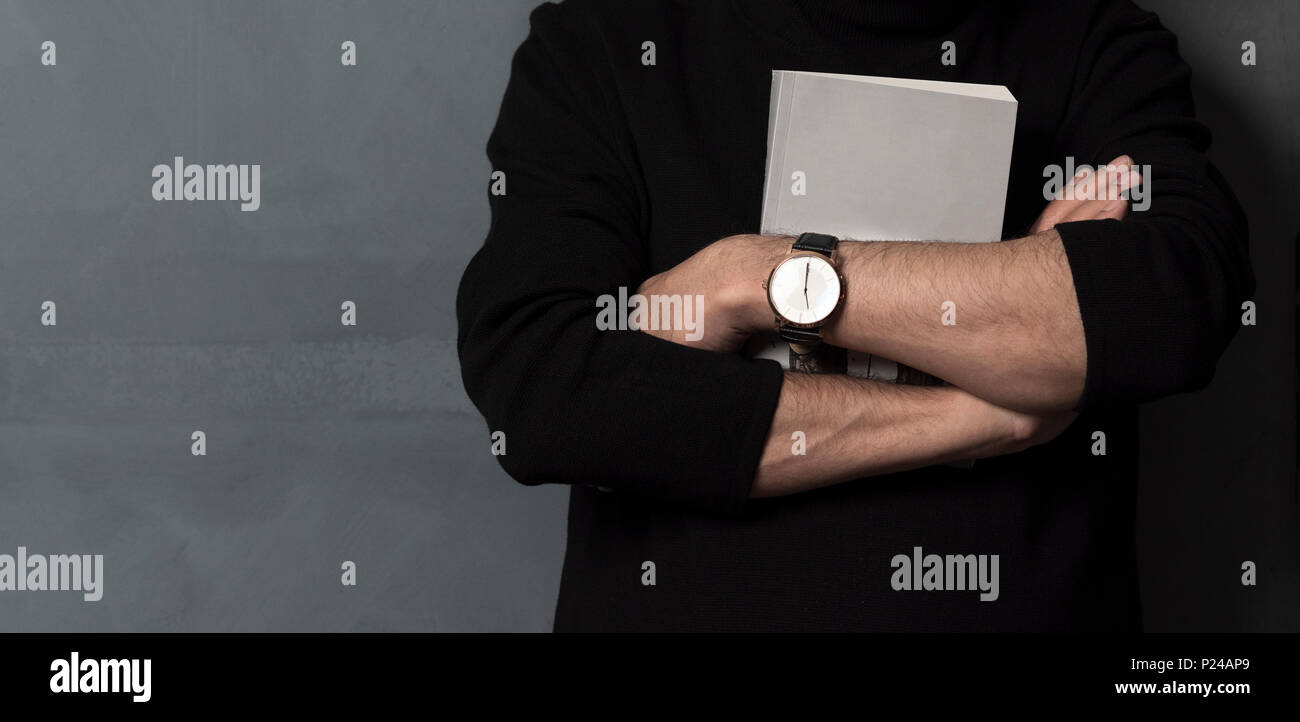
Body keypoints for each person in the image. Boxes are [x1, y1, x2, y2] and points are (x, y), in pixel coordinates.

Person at [456, 0, 1254, 631]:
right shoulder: (602, 39)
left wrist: (751, 280)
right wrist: (992, 411)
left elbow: (1166, 308)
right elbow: (543, 387)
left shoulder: (1094, 41)